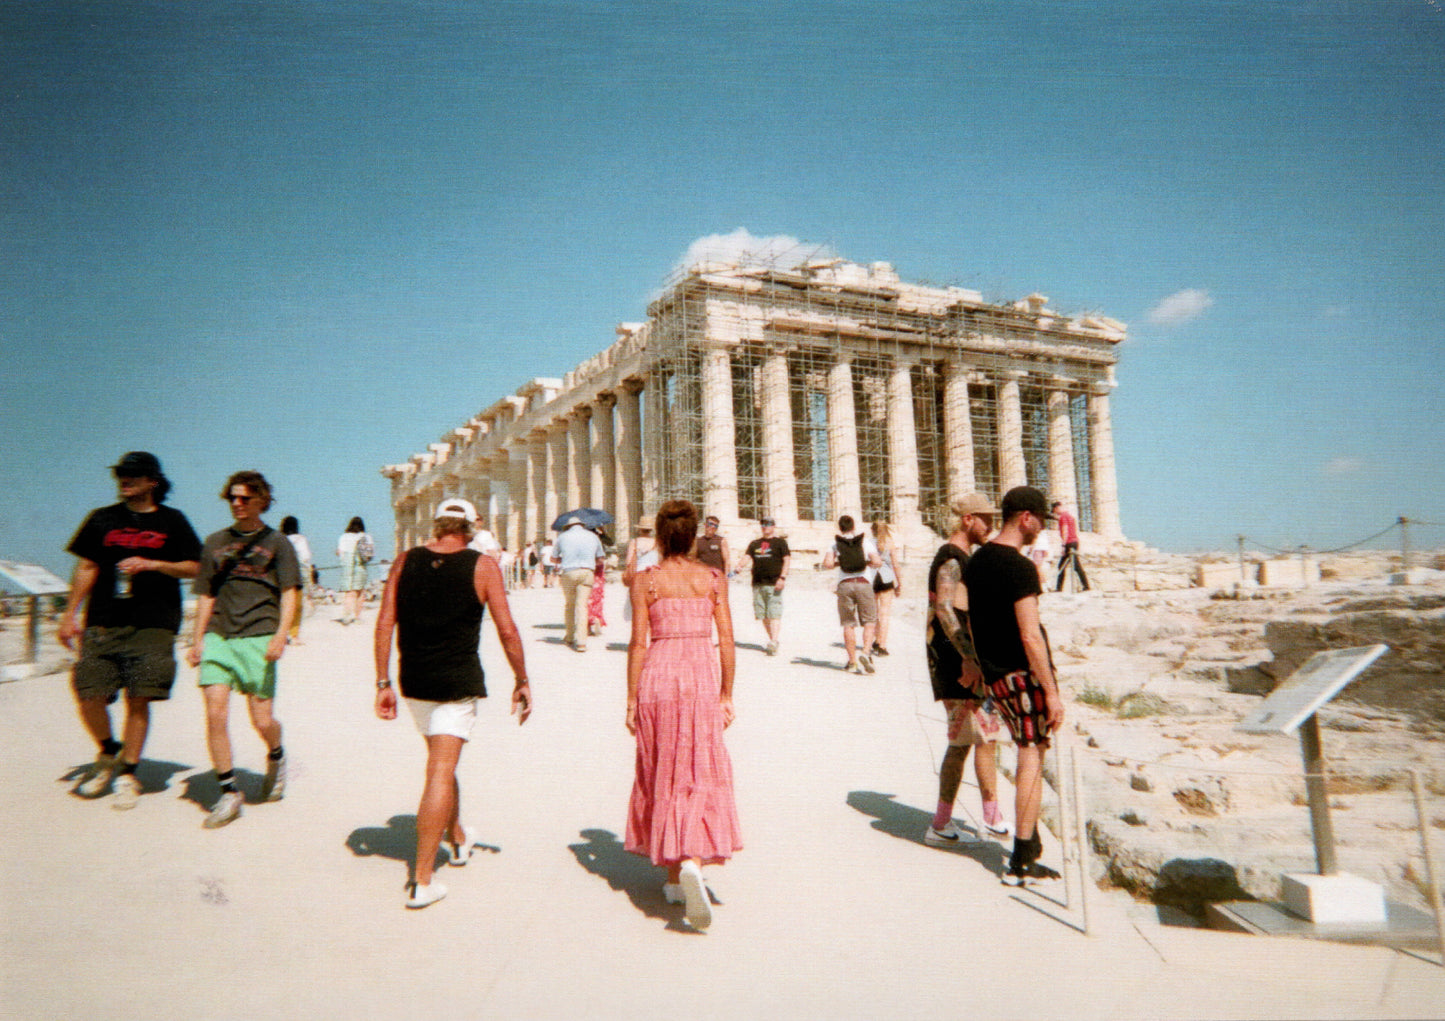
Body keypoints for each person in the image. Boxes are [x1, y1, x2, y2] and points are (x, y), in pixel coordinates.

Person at [373, 498, 532, 909]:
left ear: (439, 523)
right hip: (456, 682)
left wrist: (382, 681)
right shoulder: (482, 565)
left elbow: (385, 621)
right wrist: (522, 680)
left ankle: (458, 837)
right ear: (471, 528)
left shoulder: (405, 561)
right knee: (441, 769)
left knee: (442, 763)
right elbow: (508, 630)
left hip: (414, 681)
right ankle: (422, 881)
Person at [59, 452, 201, 809]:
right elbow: (87, 566)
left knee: (139, 699)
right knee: (88, 692)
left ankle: (128, 773)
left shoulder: (173, 521)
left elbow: (196, 566)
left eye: (134, 475)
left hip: (154, 622)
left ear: (153, 481)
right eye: (121, 474)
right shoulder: (101, 519)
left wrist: (152, 564)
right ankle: (109, 751)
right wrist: (69, 614)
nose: (125, 480)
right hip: (103, 622)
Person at [625, 500, 741, 931]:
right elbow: (726, 639)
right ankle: (690, 861)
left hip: (658, 674)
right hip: (699, 676)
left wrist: (632, 699)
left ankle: (679, 868)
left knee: (663, 769)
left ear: (658, 537)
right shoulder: (712, 578)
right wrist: (727, 692)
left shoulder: (646, 581)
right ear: (693, 536)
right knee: (698, 767)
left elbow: (638, 643)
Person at [187, 471, 302, 829]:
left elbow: (289, 592)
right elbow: (206, 592)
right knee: (216, 715)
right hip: (220, 635)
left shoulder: (278, 543)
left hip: (258, 635)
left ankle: (276, 755)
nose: (237, 504)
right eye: (232, 498)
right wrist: (197, 638)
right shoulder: (215, 542)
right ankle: (229, 792)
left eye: (245, 498)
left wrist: (282, 634)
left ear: (261, 501)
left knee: (262, 720)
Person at [964, 486, 1065, 886]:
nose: (1042, 529)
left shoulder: (978, 560)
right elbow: (1030, 635)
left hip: (995, 674)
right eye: (1041, 520)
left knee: (1026, 751)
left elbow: (970, 620)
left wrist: (981, 664)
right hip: (1022, 675)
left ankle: (1030, 840)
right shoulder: (1020, 567)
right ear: (1026, 517)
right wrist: (1052, 691)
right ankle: (1022, 857)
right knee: (1031, 756)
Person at [923, 494, 1010, 847]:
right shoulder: (951, 557)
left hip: (967, 660)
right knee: (966, 741)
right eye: (987, 519)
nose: (991, 526)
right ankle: (943, 823)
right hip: (958, 663)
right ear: (968, 519)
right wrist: (970, 659)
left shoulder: (963, 558)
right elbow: (944, 609)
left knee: (983, 738)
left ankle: (987, 816)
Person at [821, 514, 883, 674]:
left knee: (848, 623)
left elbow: (827, 564)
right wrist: (865, 563)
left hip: (845, 584)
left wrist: (839, 563)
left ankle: (852, 662)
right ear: (854, 526)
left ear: (840, 528)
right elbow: (877, 562)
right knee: (870, 621)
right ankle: (866, 652)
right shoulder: (865, 542)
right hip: (863, 583)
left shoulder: (835, 544)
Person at [737, 516, 789, 656]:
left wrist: (782, 577)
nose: (765, 526)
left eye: (768, 524)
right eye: (763, 524)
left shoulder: (780, 542)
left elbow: (786, 560)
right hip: (758, 582)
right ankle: (772, 639)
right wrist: (739, 566)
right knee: (763, 614)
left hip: (774, 582)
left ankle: (773, 640)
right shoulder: (755, 543)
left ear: (773, 526)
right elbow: (747, 556)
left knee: (774, 612)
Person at [553, 520, 604, 652]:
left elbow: (553, 558)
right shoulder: (593, 536)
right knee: (582, 606)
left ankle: (570, 636)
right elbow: (600, 558)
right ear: (583, 525)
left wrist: (564, 559)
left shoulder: (562, 537)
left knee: (570, 604)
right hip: (587, 571)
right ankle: (581, 642)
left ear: (568, 526)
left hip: (569, 572)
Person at [870, 521, 901, 657]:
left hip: (872, 578)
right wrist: (900, 583)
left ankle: (875, 639)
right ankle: (881, 645)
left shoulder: (869, 543)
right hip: (886, 578)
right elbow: (895, 564)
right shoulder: (890, 544)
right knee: (884, 613)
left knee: (874, 612)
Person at [280, 516, 312, 645]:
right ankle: (293, 635)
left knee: (283, 604)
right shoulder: (300, 539)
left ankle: (281, 633)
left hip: (281, 573)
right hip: (297, 573)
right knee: (296, 605)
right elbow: (306, 557)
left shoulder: (280, 539)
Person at [336, 516, 373, 624]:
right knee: (360, 591)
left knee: (349, 592)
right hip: (360, 565)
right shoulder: (366, 536)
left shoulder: (344, 537)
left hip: (347, 565)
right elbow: (369, 553)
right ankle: (357, 617)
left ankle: (347, 615)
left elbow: (339, 552)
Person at [1052, 501, 1090, 592]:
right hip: (1075, 542)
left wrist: (1063, 545)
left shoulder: (1063, 517)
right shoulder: (1070, 516)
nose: (1055, 513)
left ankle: (1059, 588)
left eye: (1054, 511)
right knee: (1076, 565)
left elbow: (1065, 530)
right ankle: (1086, 585)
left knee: (1062, 565)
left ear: (1056, 508)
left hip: (1069, 542)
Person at [586, 526, 608, 637]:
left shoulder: (585, 539)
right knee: (597, 597)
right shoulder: (598, 538)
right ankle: (597, 619)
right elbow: (610, 542)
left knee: (586, 597)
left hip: (587, 568)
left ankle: (588, 624)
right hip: (598, 570)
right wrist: (603, 532)